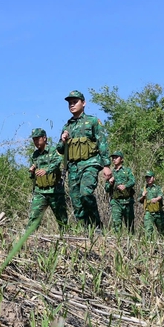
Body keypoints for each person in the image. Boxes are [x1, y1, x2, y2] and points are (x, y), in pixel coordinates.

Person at [57, 90, 110, 229]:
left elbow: (102, 143)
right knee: (76, 201)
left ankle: (97, 227)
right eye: (70, 103)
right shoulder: (67, 126)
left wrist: (106, 165)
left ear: (84, 103)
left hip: (90, 163)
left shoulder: (92, 121)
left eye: (75, 102)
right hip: (73, 167)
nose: (72, 105)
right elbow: (60, 150)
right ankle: (84, 229)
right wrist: (63, 140)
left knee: (86, 193)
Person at [26, 128, 69, 232]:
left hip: (55, 190)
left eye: (37, 139)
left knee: (61, 218)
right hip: (40, 191)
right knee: (34, 217)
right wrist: (32, 172)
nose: (36, 142)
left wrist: (47, 170)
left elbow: (57, 162)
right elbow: (33, 176)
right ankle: (29, 239)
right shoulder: (34, 155)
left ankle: (65, 238)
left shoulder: (54, 151)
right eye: (34, 140)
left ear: (44, 138)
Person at [104, 151, 135, 232]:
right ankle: (118, 240)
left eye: (116, 157)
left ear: (121, 159)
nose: (114, 159)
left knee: (130, 225)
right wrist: (110, 183)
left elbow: (133, 181)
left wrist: (125, 186)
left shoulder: (127, 170)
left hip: (127, 201)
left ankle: (131, 241)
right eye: (113, 158)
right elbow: (106, 188)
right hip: (116, 201)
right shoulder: (111, 173)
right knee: (116, 224)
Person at [139, 171, 164, 237]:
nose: (148, 179)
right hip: (149, 212)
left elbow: (161, 196)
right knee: (148, 229)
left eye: (150, 177)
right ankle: (148, 245)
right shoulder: (143, 189)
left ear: (153, 178)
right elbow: (140, 200)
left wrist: (156, 199)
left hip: (158, 212)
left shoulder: (157, 188)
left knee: (161, 230)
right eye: (147, 178)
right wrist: (143, 196)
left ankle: (162, 243)